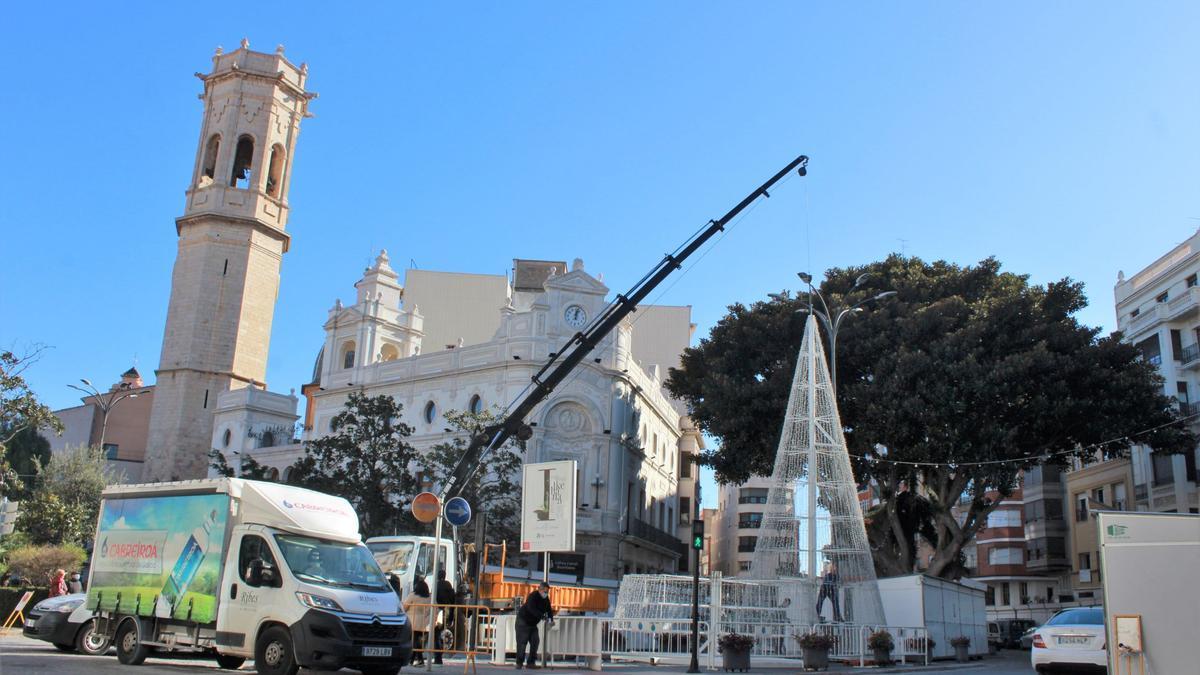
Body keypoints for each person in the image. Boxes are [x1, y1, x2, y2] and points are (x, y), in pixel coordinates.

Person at [514, 582, 554, 669]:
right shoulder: (533, 596)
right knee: (522, 643)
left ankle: (531, 663)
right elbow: (531, 608)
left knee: (535, 641)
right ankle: (519, 663)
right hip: (523, 622)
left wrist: (551, 619)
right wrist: (542, 617)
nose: (546, 593)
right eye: (545, 591)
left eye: (547, 592)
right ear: (540, 589)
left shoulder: (546, 599)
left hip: (533, 624)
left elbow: (549, 610)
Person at [403, 578, 433, 666]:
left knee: (415, 641)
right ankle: (416, 659)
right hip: (424, 622)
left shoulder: (412, 596)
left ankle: (415, 659)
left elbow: (405, 607)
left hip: (412, 621)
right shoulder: (429, 597)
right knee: (417, 641)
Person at [434, 569, 456, 664]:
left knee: (436, 634)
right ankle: (440, 655)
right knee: (443, 632)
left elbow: (434, 598)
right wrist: (451, 616)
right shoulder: (448, 585)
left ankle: (438, 657)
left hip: (438, 611)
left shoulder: (436, 585)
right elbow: (453, 599)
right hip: (447, 611)